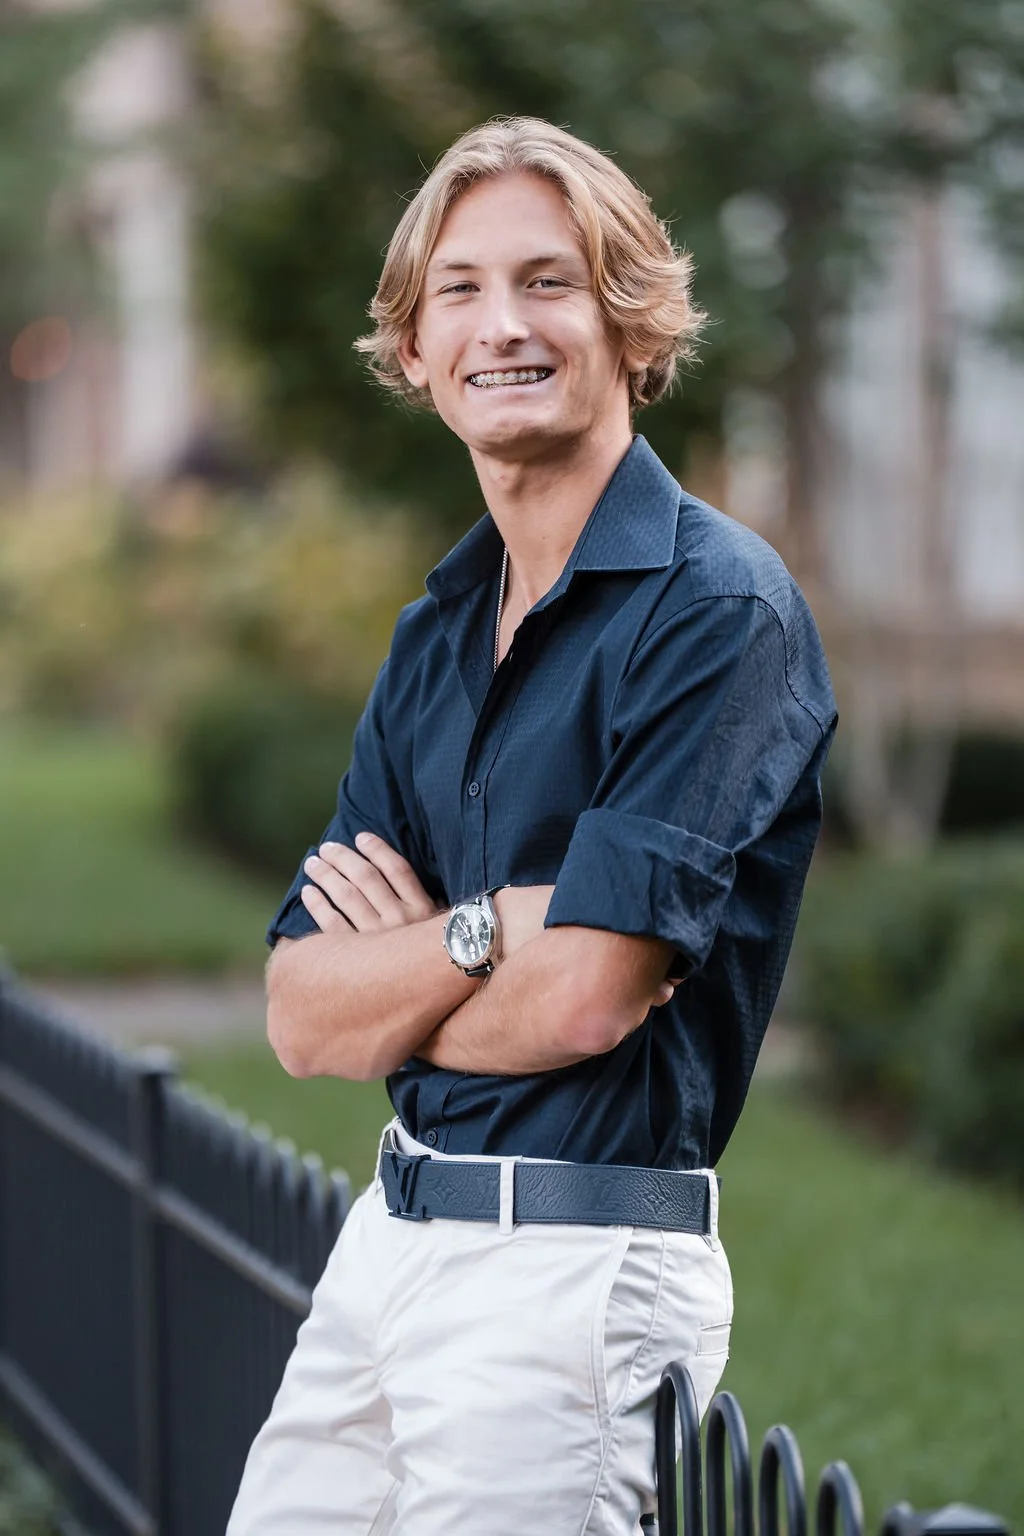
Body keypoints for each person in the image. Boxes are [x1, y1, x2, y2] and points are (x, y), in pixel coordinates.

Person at [226, 116, 837, 1536]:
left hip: (569, 1272)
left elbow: (582, 1000)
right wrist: (500, 923)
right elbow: (301, 1016)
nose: (504, 324)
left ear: (628, 321)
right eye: (461, 291)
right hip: (389, 1246)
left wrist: (424, 970)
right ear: (419, 353)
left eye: (548, 282)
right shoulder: (437, 630)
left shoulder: (718, 611)